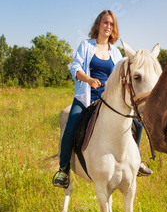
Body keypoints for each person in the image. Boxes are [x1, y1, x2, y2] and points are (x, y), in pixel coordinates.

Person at [52, 10, 152, 188]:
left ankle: (136, 162)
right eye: (105, 22)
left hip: (109, 100)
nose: (108, 26)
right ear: (98, 24)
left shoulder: (115, 52)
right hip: (87, 97)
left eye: (111, 24)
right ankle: (63, 170)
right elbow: (75, 66)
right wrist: (88, 79)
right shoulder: (86, 46)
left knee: (137, 123)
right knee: (71, 124)